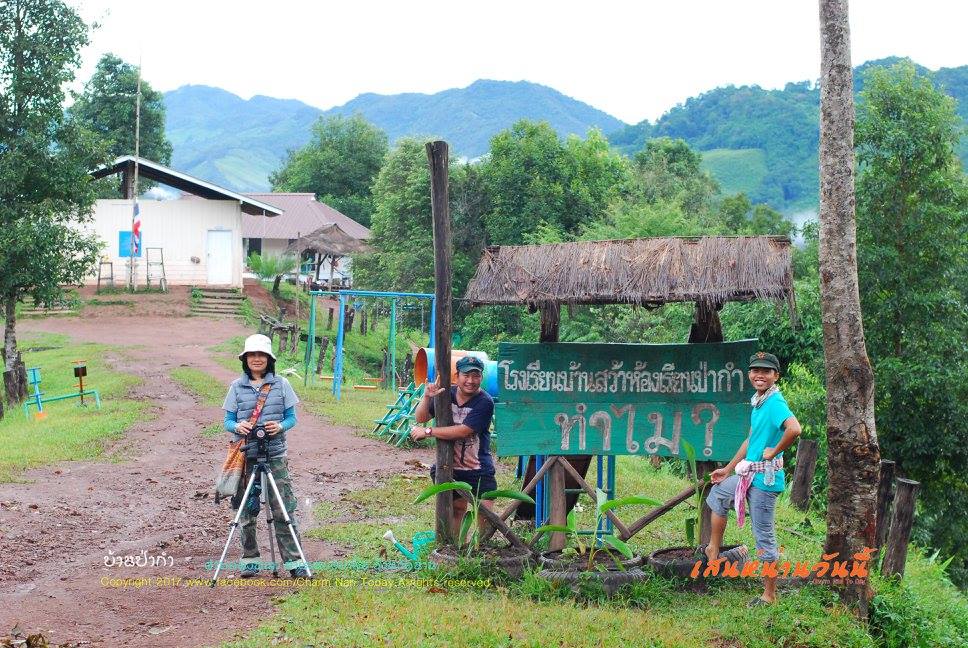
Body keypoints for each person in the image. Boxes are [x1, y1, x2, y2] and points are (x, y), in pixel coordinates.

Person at [705, 351, 802, 606]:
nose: (760, 375)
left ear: (775, 376)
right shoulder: (759, 401)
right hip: (748, 474)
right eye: (755, 370)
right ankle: (713, 549)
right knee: (718, 494)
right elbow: (751, 441)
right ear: (749, 374)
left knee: (764, 536)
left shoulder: (774, 403)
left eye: (766, 371)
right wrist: (727, 470)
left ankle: (769, 595)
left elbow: (795, 429)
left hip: (765, 481)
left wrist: (775, 450)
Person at [222, 333, 309, 578]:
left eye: (261, 355)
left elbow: (292, 418)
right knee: (246, 511)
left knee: (283, 509)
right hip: (246, 456)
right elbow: (227, 421)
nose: (257, 359)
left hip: (275, 455)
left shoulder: (282, 385)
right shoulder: (236, 387)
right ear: (245, 359)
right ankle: (250, 559)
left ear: (269, 359)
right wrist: (238, 427)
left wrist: (280, 427)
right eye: (252, 355)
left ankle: (295, 563)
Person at [411, 355, 496, 539]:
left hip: (478, 467)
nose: (471, 381)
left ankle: (484, 548)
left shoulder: (485, 402)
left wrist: (428, 432)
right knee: (456, 509)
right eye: (466, 375)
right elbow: (420, 418)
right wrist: (426, 397)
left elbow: (464, 431)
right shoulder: (444, 394)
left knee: (485, 511)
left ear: (481, 377)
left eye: (476, 376)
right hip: (450, 466)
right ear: (457, 376)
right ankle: (456, 549)